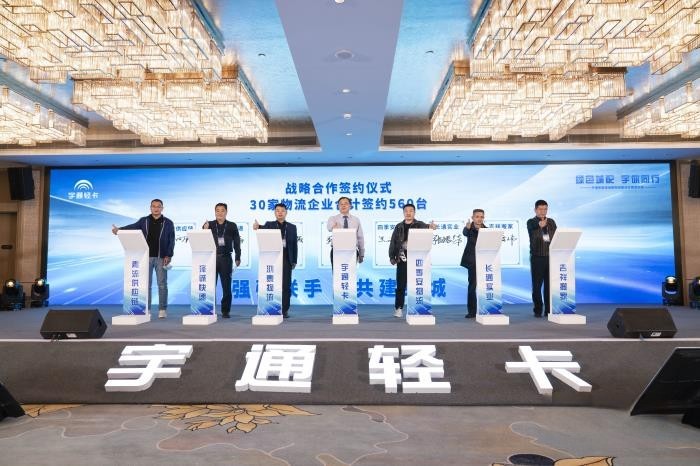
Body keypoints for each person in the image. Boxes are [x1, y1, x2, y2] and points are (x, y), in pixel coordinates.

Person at [112, 199, 175, 319]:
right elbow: (132, 227)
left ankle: (162, 309)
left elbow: (171, 240)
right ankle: (147, 309)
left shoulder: (168, 223)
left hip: (161, 257)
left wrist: (169, 255)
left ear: (162, 208)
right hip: (145, 257)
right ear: (150, 208)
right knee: (146, 284)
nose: (156, 208)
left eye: (158, 206)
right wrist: (119, 230)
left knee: (162, 284)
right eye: (153, 206)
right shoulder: (144, 221)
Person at [388, 203, 437, 318]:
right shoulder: (399, 226)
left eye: (411, 211)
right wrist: (392, 256)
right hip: (402, 258)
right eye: (406, 211)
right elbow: (393, 242)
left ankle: (417, 307)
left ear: (414, 213)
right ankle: (398, 308)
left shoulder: (420, 224)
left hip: (417, 258)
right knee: (401, 285)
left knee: (417, 284)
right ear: (403, 213)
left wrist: (432, 227)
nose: (408, 213)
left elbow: (429, 227)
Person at [253, 203, 297, 318]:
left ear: (286, 212)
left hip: (286, 258)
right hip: (272, 259)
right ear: (275, 213)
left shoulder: (292, 227)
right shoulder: (269, 225)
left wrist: (294, 260)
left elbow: (294, 245)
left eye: (282, 210)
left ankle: (285, 309)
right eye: (277, 210)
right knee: (272, 284)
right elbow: (262, 229)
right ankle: (272, 307)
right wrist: (258, 227)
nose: (280, 213)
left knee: (286, 286)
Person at [202, 203, 241, 318]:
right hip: (211, 258)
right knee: (209, 286)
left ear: (226, 212)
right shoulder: (209, 225)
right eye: (217, 210)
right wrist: (204, 230)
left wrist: (238, 257)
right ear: (215, 212)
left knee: (226, 287)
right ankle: (210, 309)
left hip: (226, 258)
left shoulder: (232, 225)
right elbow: (201, 240)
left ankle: (225, 310)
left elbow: (237, 242)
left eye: (222, 210)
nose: (220, 213)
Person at [527, 199, 557, 317]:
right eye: (540, 209)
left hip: (550, 257)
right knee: (537, 286)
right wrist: (540, 226)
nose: (543, 211)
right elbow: (533, 231)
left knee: (549, 285)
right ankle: (538, 309)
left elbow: (555, 236)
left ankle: (549, 310)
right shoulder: (531, 222)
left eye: (545, 209)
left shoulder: (551, 221)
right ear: (535, 210)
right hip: (537, 257)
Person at [460, 209, 486, 319]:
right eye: (477, 216)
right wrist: (467, 227)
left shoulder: (487, 230)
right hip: (473, 262)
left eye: (481, 217)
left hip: (485, 262)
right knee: (472, 287)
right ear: (472, 217)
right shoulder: (469, 228)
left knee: (485, 286)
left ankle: (484, 309)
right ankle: (472, 311)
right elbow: (465, 233)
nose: (479, 219)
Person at [326, 196, 365, 266]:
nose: (343, 205)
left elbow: (360, 237)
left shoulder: (356, 220)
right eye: (341, 204)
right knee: (337, 272)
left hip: (352, 251)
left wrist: (361, 254)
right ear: (338, 206)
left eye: (346, 203)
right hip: (337, 251)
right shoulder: (333, 218)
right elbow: (329, 228)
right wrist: (334, 227)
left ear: (350, 206)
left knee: (350, 272)